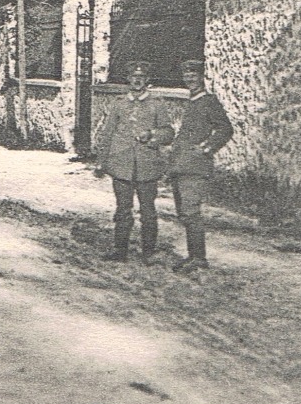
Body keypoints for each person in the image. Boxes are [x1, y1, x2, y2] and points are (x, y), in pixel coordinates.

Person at [91, 61, 175, 263]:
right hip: (121, 165)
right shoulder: (119, 103)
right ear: (128, 79)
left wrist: (152, 134)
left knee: (148, 211)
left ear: (147, 80)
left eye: (142, 78)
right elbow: (107, 133)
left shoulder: (157, 105)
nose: (137, 81)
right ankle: (120, 251)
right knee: (122, 210)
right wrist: (101, 162)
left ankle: (148, 252)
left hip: (147, 165)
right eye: (134, 77)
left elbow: (168, 133)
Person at [164, 59, 234, 274]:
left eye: (194, 76)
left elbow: (225, 129)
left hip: (195, 168)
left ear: (202, 77)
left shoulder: (209, 101)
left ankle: (199, 258)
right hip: (181, 166)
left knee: (191, 213)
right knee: (184, 213)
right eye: (187, 77)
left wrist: (206, 148)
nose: (190, 80)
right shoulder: (192, 101)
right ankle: (193, 256)